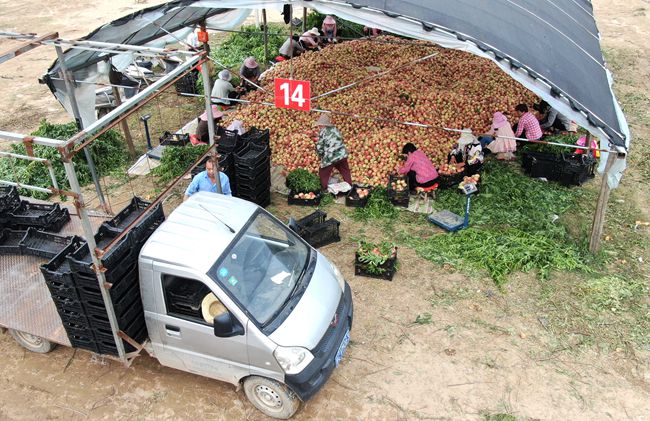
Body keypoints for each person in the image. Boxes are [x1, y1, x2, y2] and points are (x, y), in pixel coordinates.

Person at [315, 114, 352, 191]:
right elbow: (340, 139)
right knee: (345, 170)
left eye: (319, 125)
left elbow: (319, 147)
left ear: (322, 125)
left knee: (323, 172)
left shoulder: (322, 132)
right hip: (342, 154)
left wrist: (321, 156)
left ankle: (323, 189)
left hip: (330, 156)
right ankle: (349, 186)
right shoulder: (335, 129)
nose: (319, 127)